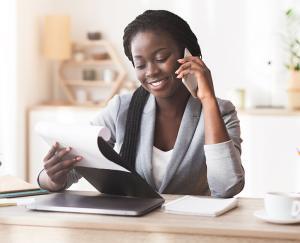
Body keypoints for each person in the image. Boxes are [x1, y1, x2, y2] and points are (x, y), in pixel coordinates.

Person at [38, 10, 244, 198]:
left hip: (191, 230)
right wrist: (54, 178)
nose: (151, 71)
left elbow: (226, 187)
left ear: (188, 55)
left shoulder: (221, 112)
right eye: (140, 64)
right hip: (135, 229)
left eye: (161, 57)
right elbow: (73, 165)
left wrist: (207, 100)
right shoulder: (122, 108)